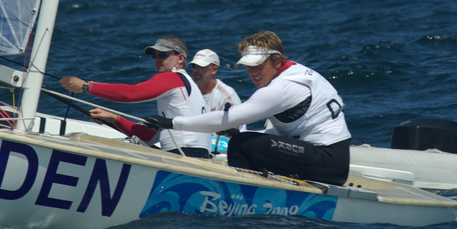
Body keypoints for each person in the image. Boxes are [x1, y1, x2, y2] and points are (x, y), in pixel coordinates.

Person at [145, 31, 350, 185]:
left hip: (329, 162)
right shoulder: (297, 71)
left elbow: (227, 117)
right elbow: (281, 132)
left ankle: (242, 199)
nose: (252, 72)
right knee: (243, 139)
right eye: (248, 66)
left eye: (258, 65)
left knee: (241, 145)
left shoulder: (283, 87)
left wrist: (173, 123)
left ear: (276, 60)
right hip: (328, 157)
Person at [59, 34, 211, 158]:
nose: (157, 59)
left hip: (183, 156)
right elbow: (148, 136)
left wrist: (86, 86)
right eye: (154, 55)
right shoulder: (189, 90)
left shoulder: (173, 78)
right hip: (197, 156)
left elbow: (131, 93)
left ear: (180, 59)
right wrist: (115, 119)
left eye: (163, 54)